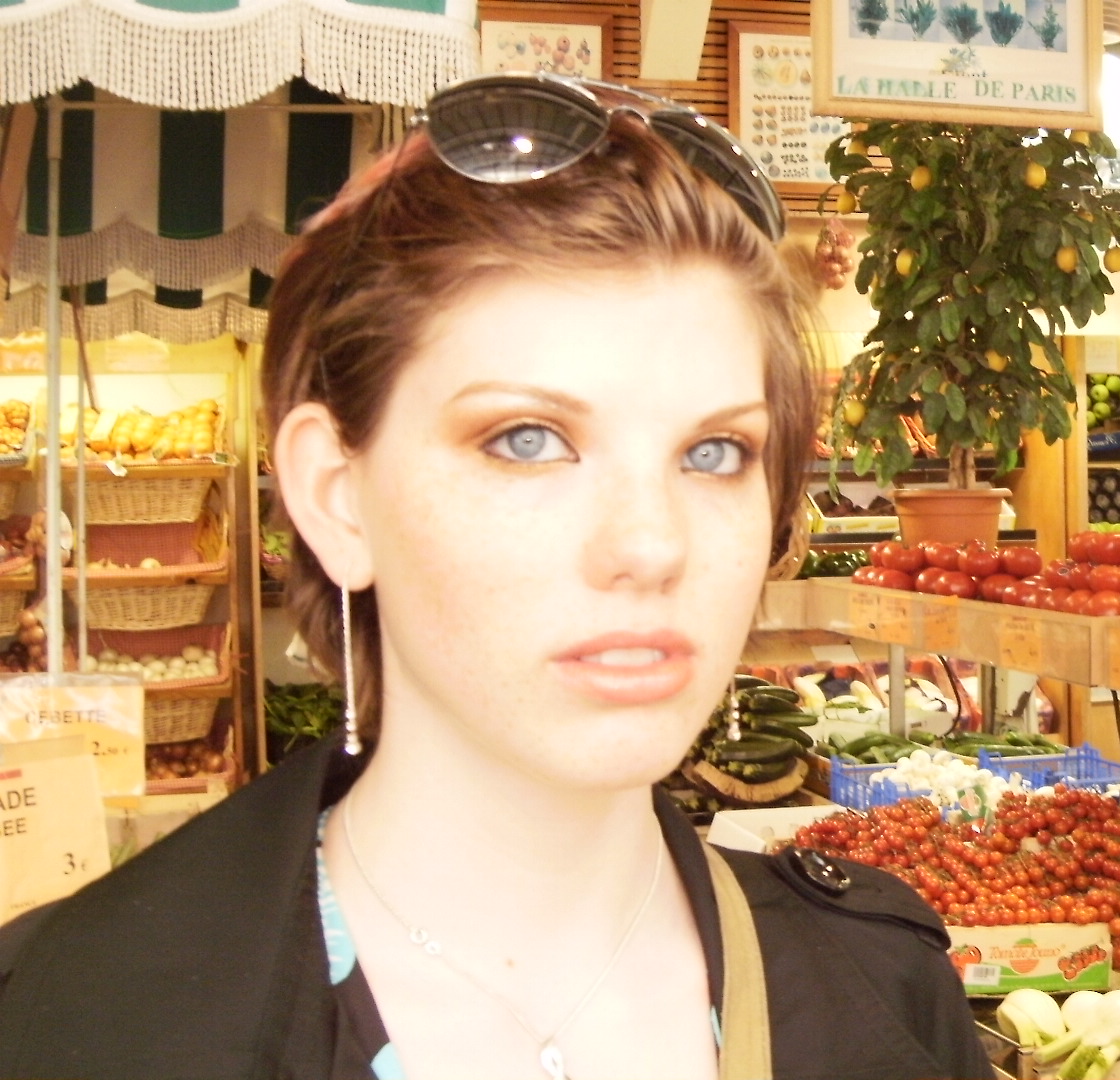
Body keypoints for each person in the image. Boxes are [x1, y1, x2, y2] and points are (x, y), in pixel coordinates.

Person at [0, 73, 990, 1080]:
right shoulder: (83, 1026)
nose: (652, 545)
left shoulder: (887, 1001)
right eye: (527, 440)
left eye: (714, 453)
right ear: (338, 497)